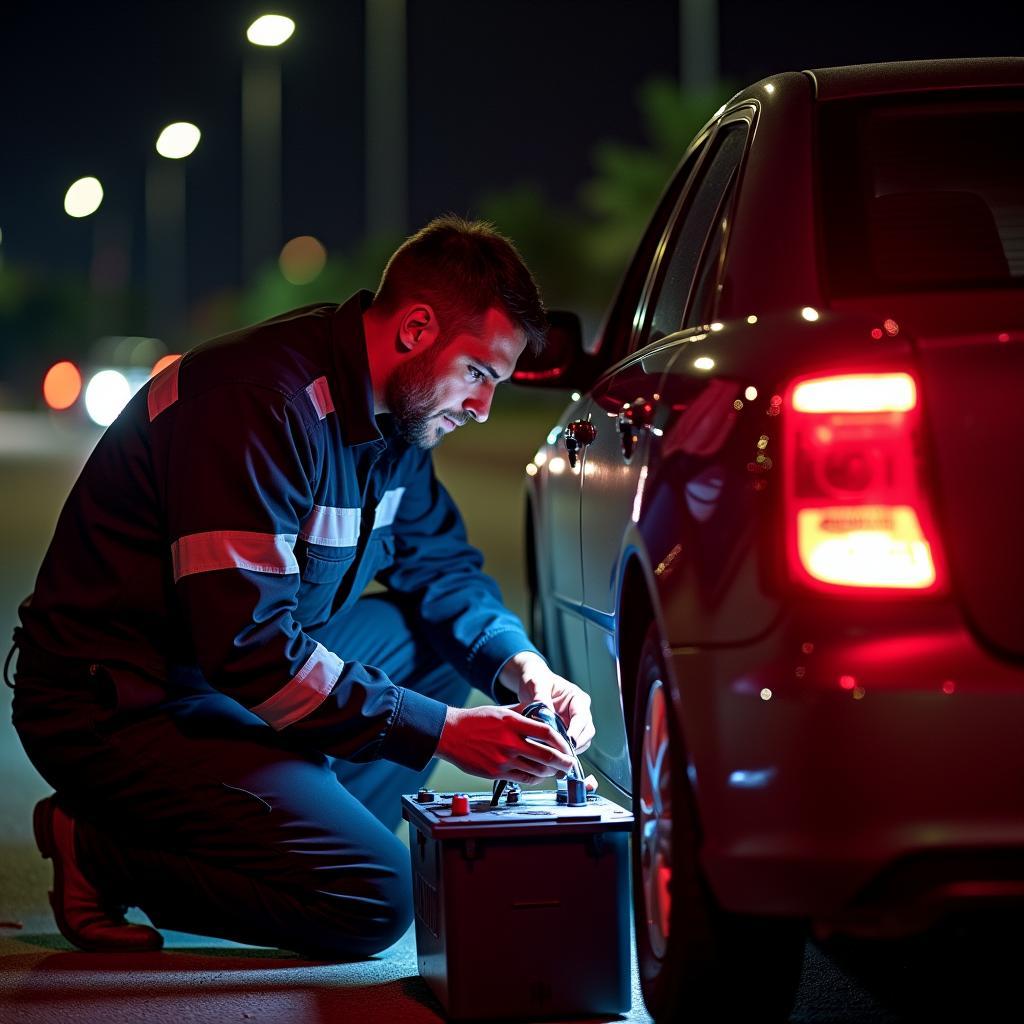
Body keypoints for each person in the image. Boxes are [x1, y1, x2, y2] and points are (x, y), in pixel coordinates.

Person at [7, 216, 595, 958]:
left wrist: (525, 668)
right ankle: (97, 850)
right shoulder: (261, 400)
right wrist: (443, 731)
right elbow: (249, 650)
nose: (481, 408)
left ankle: (304, 818)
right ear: (416, 329)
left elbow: (440, 568)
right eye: (478, 373)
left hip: (223, 680)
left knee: (446, 640)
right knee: (373, 899)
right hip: (122, 704)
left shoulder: (399, 419)